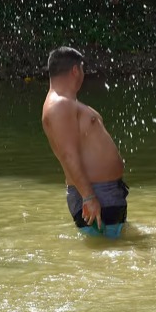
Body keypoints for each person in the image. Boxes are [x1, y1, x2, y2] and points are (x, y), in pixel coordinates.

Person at [41, 47, 128, 238]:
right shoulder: (60, 105)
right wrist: (88, 197)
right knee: (107, 258)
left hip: (104, 193)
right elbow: (68, 154)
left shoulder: (67, 104)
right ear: (75, 70)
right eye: (82, 68)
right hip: (95, 194)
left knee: (111, 255)